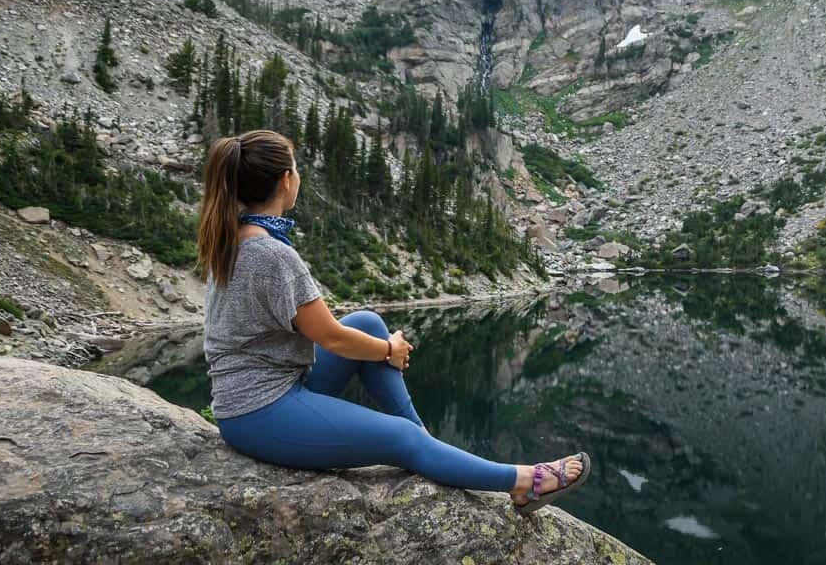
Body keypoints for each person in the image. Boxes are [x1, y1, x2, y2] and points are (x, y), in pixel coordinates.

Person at [195, 129, 589, 515]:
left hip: (265, 393)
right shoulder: (270, 253)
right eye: (296, 169)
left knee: (366, 321)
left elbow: (329, 333)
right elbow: (330, 337)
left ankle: (425, 445)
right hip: (259, 411)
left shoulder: (238, 237)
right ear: (286, 180)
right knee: (399, 434)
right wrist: (390, 350)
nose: (299, 176)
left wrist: (379, 344)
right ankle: (524, 482)